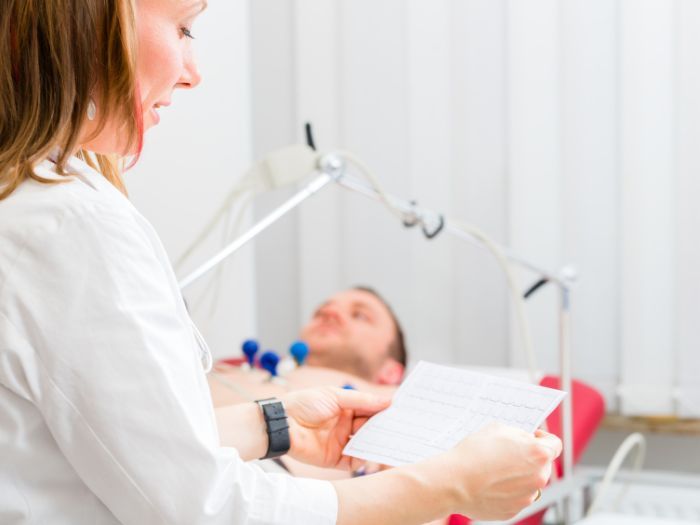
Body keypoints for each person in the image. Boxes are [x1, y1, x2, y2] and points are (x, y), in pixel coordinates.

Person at [0, 1, 562, 524]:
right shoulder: (69, 225)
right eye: (184, 27)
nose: (194, 71)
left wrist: (274, 423)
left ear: (390, 371)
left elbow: (126, 448)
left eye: (362, 315)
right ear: (95, 17)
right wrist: (451, 486)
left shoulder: (39, 202)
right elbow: (202, 508)